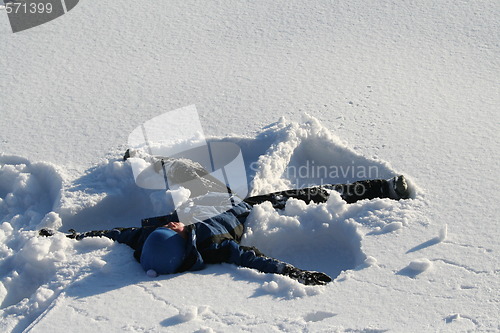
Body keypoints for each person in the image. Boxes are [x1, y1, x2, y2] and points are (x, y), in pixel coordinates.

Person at [39, 172, 411, 286]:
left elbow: (114, 233)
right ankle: (381, 189)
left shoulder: (147, 240)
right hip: (245, 208)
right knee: (311, 195)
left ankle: (142, 161)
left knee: (191, 170)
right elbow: (255, 258)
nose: (170, 223)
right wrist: (296, 273)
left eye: (168, 226)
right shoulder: (215, 244)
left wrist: (68, 237)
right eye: (174, 229)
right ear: (183, 242)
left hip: (210, 201)